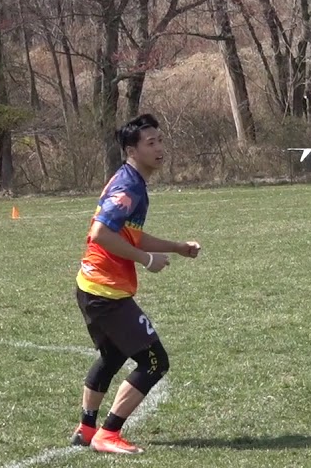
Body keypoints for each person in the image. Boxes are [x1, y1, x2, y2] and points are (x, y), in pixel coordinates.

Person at [70, 114, 201, 453]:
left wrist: (176, 248)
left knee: (112, 355)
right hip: (105, 292)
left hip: (92, 286)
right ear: (132, 150)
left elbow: (131, 235)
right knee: (155, 361)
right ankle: (107, 433)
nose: (160, 148)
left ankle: (86, 428)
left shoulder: (132, 181)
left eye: (160, 140)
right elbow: (101, 233)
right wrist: (146, 261)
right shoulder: (128, 186)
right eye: (151, 143)